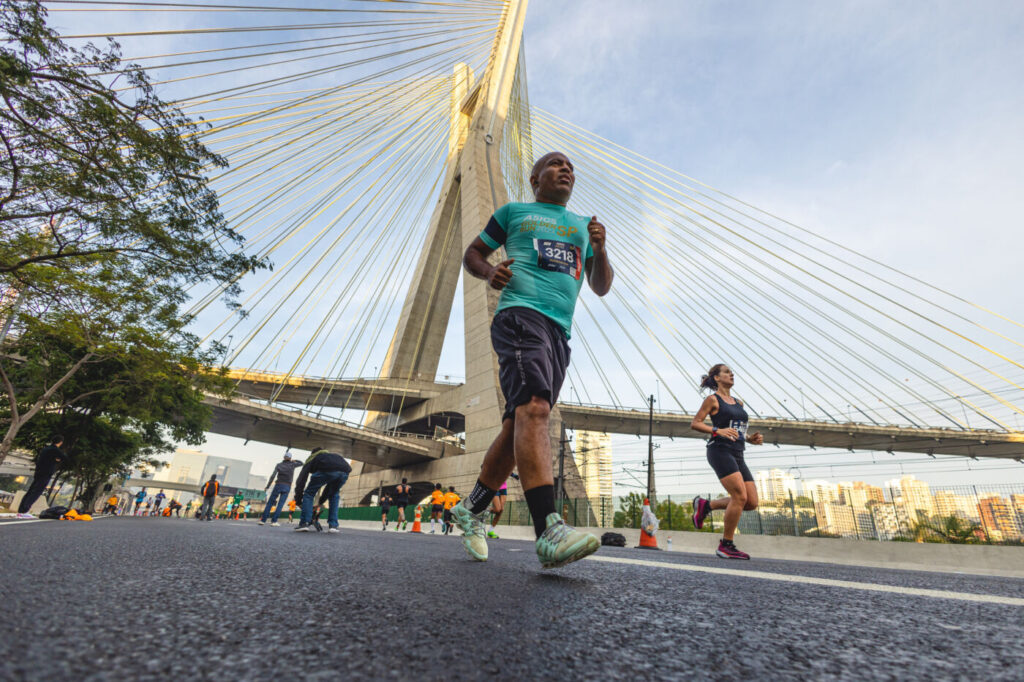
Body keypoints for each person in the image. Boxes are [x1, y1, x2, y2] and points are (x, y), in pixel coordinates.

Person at [450, 151, 614, 568]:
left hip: (559, 332)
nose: (566, 169)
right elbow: (472, 253)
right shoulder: (513, 212)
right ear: (535, 177)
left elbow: (600, 286)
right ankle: (549, 530)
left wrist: (600, 248)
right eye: (556, 164)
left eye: (572, 167)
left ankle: (471, 507)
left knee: (517, 424)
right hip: (519, 315)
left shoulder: (582, 227)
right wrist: (489, 273)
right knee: (536, 408)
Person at [690, 364, 763, 560]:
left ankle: (707, 506)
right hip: (719, 450)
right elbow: (695, 423)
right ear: (717, 378)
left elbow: (737, 429)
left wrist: (749, 438)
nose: (731, 374)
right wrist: (716, 430)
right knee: (739, 495)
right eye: (726, 372)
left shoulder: (739, 403)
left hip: (738, 452)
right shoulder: (712, 400)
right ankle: (726, 545)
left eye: (732, 372)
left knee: (751, 502)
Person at [293, 447, 351, 533]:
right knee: (334, 494)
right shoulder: (333, 456)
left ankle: (304, 523)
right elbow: (328, 490)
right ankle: (333, 526)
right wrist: (320, 503)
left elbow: (301, 480)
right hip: (344, 472)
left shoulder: (312, 458)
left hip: (327, 471)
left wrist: (298, 501)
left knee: (309, 493)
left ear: (313, 454)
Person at [17, 435, 72, 518]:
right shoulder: (55, 450)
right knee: (36, 492)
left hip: (38, 472)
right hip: (46, 473)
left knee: (31, 491)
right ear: (60, 442)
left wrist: (54, 460)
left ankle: (21, 510)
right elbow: (65, 458)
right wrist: (57, 460)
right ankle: (24, 511)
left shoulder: (46, 449)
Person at [259, 450, 304, 527]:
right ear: (290, 458)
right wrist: (295, 460)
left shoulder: (279, 465)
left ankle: (263, 520)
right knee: (280, 504)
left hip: (278, 484)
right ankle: (274, 521)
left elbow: (272, 476)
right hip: (287, 486)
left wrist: (268, 486)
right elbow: (302, 463)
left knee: (270, 503)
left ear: (284, 457)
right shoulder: (293, 464)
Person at [487, 472, 518, 539]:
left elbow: (506, 468)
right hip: (494, 486)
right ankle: (484, 510)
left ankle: (490, 531)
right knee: (497, 509)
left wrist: (514, 475)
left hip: (503, 487)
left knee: (501, 510)